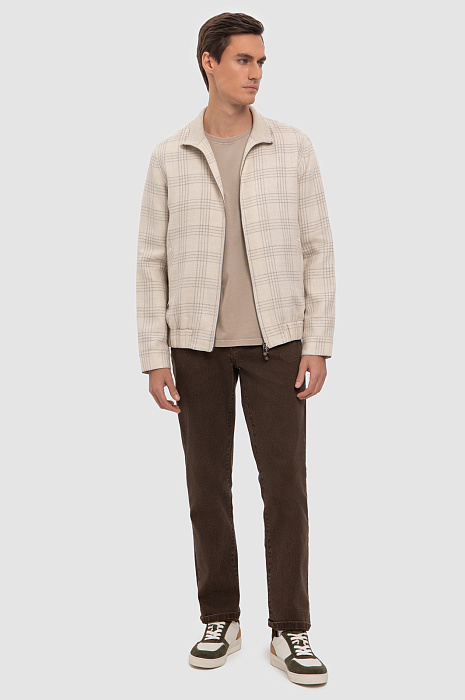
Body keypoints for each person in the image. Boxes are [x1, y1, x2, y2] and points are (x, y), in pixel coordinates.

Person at [136, 12, 335, 686]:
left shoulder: (292, 147)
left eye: (261, 62)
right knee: (206, 488)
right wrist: (155, 355)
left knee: (285, 489)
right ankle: (219, 616)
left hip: (279, 344)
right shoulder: (171, 155)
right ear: (208, 62)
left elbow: (318, 249)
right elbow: (151, 261)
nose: (255, 73)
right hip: (195, 346)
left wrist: (317, 342)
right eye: (243, 60)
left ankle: (290, 629)